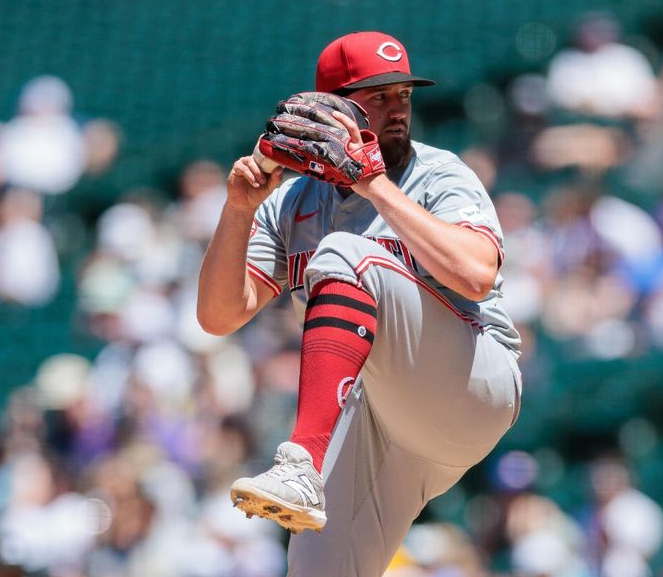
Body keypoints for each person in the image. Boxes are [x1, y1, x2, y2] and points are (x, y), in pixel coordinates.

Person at [197, 31, 522, 575]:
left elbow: (475, 274)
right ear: (332, 111)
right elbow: (218, 316)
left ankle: (300, 459)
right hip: (382, 417)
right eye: (378, 97)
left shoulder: (438, 173)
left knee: (346, 253)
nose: (397, 110)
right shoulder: (292, 203)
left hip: (473, 381)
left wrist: (374, 186)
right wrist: (237, 211)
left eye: (404, 95)